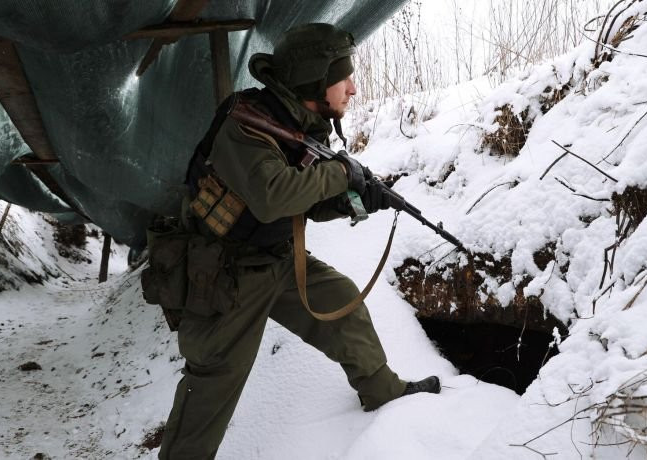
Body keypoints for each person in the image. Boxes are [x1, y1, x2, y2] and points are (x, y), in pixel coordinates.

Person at [158, 23, 441, 459]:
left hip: (278, 259)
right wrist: (342, 174)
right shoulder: (245, 125)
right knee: (215, 377)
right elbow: (273, 197)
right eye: (342, 76)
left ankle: (382, 391)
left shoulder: (300, 124)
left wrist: (355, 201)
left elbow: (303, 202)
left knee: (341, 303)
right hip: (227, 274)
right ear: (314, 78)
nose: (352, 87)